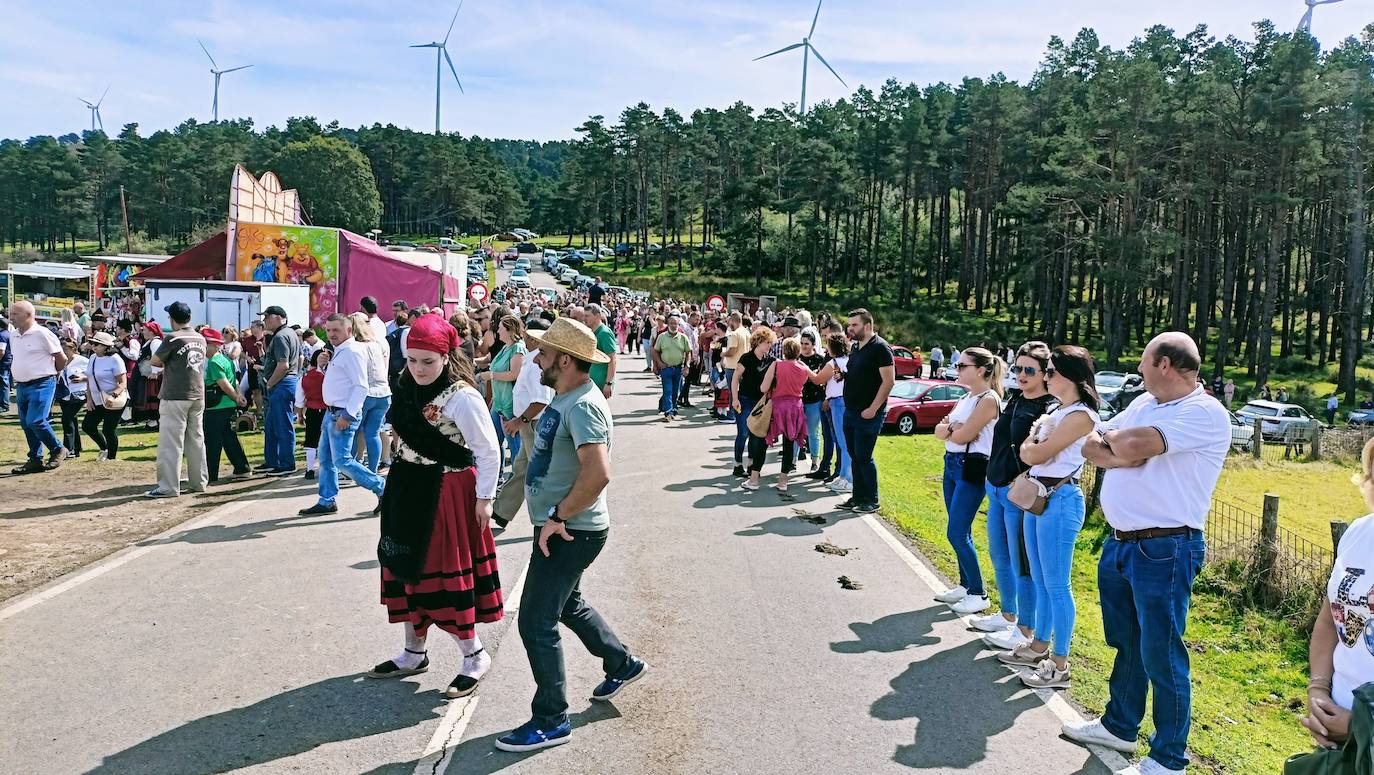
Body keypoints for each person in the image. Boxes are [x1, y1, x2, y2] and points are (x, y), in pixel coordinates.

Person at [1064, 332, 1230, 774]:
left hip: (1166, 546)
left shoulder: (1205, 413)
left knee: (1162, 651)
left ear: (1165, 365)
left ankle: (1168, 757)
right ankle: (1120, 726)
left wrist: (1119, 446)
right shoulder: (1145, 405)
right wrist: (1119, 452)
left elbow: (1130, 444)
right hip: (1122, 542)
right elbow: (1089, 442)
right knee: (1127, 642)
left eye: (1143, 361)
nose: (1137, 369)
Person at [495, 316, 645, 753]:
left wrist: (558, 517)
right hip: (563, 526)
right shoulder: (566, 396)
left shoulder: (582, 405)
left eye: (542, 352)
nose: (536, 358)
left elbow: (598, 473)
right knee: (568, 603)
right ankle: (621, 662)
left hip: (570, 529)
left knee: (535, 621)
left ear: (563, 359)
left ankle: (551, 718)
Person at [368, 313, 504, 700]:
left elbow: (488, 449)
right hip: (407, 487)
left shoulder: (462, 395)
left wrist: (485, 498)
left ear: (446, 357)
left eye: (427, 361)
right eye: (412, 359)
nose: (418, 368)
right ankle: (413, 652)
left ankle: (474, 655)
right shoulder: (405, 384)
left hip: (446, 490)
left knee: (441, 572)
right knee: (404, 566)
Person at [998, 345, 1099, 690]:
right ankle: (1039, 645)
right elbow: (1030, 449)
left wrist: (1033, 447)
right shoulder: (1059, 410)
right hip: (1040, 496)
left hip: (1060, 499)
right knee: (1041, 579)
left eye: (1052, 372)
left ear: (1071, 376)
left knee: (1058, 585)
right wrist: (1033, 448)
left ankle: (1060, 664)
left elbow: (1036, 451)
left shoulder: (1081, 416)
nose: (1047, 376)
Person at [974, 341, 1055, 652]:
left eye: (1029, 370)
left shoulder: (1047, 408)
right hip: (995, 487)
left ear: (1045, 373)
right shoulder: (1017, 399)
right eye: (1018, 368)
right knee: (1000, 555)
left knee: (1022, 563)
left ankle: (1025, 626)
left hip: (1017, 493)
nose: (1021, 374)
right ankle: (1008, 614)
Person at [1298, 436, 1374, 754]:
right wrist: (1318, 689)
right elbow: (1331, 619)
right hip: (1336, 735)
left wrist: (1363, 724)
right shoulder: (1358, 534)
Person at [933, 347, 1004, 614]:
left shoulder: (988, 399)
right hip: (952, 464)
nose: (958, 369)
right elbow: (941, 431)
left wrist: (953, 430)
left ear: (982, 370)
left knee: (957, 532)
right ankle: (965, 585)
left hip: (972, 466)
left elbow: (963, 435)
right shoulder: (966, 397)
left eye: (963, 366)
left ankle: (978, 592)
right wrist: (953, 429)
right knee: (959, 530)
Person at [298, 314, 389, 516]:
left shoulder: (352, 352)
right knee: (327, 459)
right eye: (328, 330)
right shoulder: (341, 351)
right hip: (333, 412)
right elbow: (339, 380)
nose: (331, 334)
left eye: (336, 330)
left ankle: (382, 488)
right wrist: (323, 365)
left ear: (349, 330)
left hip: (342, 413)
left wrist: (347, 415)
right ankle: (327, 500)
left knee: (342, 460)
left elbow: (361, 386)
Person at [492, 319, 556, 530]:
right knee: (522, 469)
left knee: (538, 474)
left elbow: (541, 400)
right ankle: (501, 512)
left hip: (534, 424)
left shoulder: (538, 363)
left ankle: (550, 518)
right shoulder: (531, 358)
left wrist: (520, 421)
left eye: (530, 335)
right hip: (529, 424)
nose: (526, 337)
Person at [147, 302, 208, 498]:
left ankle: (168, 487)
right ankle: (198, 482)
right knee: (196, 440)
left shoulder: (173, 338)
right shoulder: (200, 337)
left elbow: (154, 361)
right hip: (197, 393)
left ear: (172, 319)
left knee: (171, 443)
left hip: (175, 395)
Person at [839, 309, 895, 514]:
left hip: (869, 413)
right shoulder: (856, 347)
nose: (850, 328)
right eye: (849, 325)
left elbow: (889, 381)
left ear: (868, 325)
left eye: (854, 325)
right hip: (851, 410)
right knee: (854, 454)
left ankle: (871, 499)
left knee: (864, 456)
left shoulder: (880, 348)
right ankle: (858, 497)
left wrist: (873, 408)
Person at [8, 301, 69, 474]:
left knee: (36, 420)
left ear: (28, 315)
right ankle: (35, 458)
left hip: (42, 382)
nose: (10, 318)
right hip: (22, 384)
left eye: (15, 314)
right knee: (27, 424)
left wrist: (53, 373)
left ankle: (57, 449)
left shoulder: (42, 333)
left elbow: (61, 358)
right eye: (10, 314)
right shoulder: (14, 335)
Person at [746, 338, 810, 493]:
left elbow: (763, 388)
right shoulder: (803, 368)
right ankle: (783, 481)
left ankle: (754, 479)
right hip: (795, 407)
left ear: (783, 350)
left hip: (776, 406)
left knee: (763, 442)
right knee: (789, 445)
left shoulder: (776, 365)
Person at [200, 327, 250, 483]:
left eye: (204, 343)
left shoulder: (214, 361)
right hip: (226, 405)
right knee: (229, 438)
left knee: (212, 441)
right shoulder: (225, 359)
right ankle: (242, 468)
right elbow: (233, 380)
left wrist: (236, 397)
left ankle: (211, 473)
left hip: (217, 406)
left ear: (213, 345)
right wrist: (239, 395)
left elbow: (223, 383)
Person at [256, 305, 301, 476]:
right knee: (273, 425)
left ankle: (287, 464)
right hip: (285, 383)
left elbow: (283, 365)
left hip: (281, 384)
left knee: (282, 425)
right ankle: (273, 461)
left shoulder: (282, 336)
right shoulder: (288, 334)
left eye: (268, 316)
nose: (265, 320)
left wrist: (269, 383)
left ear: (280, 318)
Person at [483, 315, 527, 477]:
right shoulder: (505, 347)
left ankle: (518, 480)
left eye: (501, 328)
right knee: (493, 443)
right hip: (499, 402)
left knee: (515, 447)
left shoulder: (518, 348)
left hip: (510, 405)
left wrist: (491, 376)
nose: (498, 330)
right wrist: (494, 398)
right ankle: (498, 478)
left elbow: (515, 374)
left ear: (510, 330)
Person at [731, 328, 777, 477]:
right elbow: (735, 379)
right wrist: (735, 399)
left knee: (755, 434)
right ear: (758, 342)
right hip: (744, 399)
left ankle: (751, 464)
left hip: (761, 403)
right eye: (767, 342)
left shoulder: (771, 360)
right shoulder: (746, 358)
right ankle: (738, 464)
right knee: (743, 432)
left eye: (771, 342)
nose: (769, 345)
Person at [351, 312, 393, 473]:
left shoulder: (355, 347)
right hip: (383, 392)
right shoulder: (378, 344)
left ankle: (351, 468)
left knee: (354, 432)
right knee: (373, 433)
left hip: (365, 393)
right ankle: (373, 469)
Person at [82, 331, 127, 461]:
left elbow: (122, 382)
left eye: (97, 344)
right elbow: (90, 379)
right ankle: (104, 448)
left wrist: (113, 396)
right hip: (97, 399)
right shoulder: (93, 358)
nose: (94, 346)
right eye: (92, 343)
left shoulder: (115, 359)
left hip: (113, 400)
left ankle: (111, 458)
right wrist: (89, 399)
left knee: (108, 429)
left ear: (107, 346)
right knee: (88, 426)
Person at [799, 332, 831, 477]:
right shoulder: (797, 359)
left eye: (807, 344)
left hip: (815, 400)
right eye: (802, 343)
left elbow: (823, 379)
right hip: (798, 400)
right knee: (795, 433)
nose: (804, 346)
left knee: (813, 432)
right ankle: (792, 462)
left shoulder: (820, 359)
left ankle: (814, 461)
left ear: (813, 345)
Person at [296, 348, 330, 480]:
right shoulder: (328, 376)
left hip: (311, 410)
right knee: (326, 439)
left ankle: (310, 469)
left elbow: (299, 400)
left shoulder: (304, 378)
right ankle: (324, 468)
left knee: (310, 440)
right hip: (327, 410)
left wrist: (299, 415)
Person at [652, 314, 690, 422]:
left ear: (679, 324)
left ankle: (673, 409)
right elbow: (655, 351)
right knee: (667, 390)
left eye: (676, 323)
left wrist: (687, 366)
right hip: (666, 368)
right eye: (671, 323)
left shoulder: (683, 337)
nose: (673, 325)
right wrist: (658, 363)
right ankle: (668, 412)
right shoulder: (662, 337)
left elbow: (688, 352)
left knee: (676, 391)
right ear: (668, 324)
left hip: (678, 368)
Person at [56, 337, 88, 459]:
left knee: (67, 420)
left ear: (73, 349)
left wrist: (83, 378)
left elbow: (95, 375)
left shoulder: (83, 361)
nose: (63, 352)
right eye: (61, 349)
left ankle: (69, 448)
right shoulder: (60, 360)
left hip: (79, 394)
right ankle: (76, 448)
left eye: (66, 349)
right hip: (64, 394)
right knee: (72, 420)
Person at [583, 304, 618, 399]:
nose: (584, 318)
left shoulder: (604, 333)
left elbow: (612, 359)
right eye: (584, 315)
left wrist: (608, 383)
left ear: (597, 316)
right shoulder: (591, 332)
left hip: (601, 382)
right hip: (591, 382)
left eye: (587, 316)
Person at [0, 314, 11, 413]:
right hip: (8, 360)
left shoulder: (2, 335)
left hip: (3, 362)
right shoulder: (8, 333)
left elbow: (1, 351)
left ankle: (4, 404)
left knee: (3, 382)